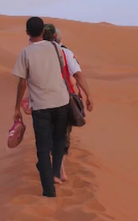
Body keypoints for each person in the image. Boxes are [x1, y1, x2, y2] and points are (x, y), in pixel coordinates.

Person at [12, 17, 70, 198]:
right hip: (62, 101)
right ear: (43, 31)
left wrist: (16, 107)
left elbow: (22, 82)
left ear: (27, 33)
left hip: (42, 107)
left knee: (43, 149)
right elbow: (62, 69)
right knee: (59, 140)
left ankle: (49, 192)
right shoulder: (56, 48)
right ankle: (54, 173)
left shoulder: (25, 53)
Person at [47, 25, 94, 182]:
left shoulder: (36, 54)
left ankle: (56, 166)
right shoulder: (66, 53)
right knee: (62, 134)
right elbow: (78, 76)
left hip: (45, 100)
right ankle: (58, 168)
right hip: (63, 100)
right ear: (58, 38)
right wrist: (89, 96)